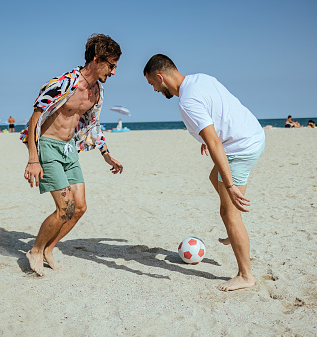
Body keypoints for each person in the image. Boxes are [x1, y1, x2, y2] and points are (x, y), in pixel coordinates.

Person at [143, 54, 265, 292]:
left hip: (239, 148)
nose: (155, 90)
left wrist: (230, 185)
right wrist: (207, 138)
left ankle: (245, 274)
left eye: (153, 85)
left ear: (160, 77)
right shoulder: (200, 79)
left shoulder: (186, 101)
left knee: (228, 212)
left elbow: (216, 143)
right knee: (214, 178)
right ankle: (235, 225)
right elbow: (220, 109)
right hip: (252, 134)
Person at [22, 34, 123, 276]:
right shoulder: (63, 83)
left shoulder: (96, 92)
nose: (113, 72)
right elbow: (34, 119)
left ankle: (49, 249)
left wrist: (106, 154)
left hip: (69, 150)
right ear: (96, 60)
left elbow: (94, 124)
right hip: (48, 146)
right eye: (111, 65)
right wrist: (33, 159)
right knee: (64, 207)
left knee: (79, 208)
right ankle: (35, 250)